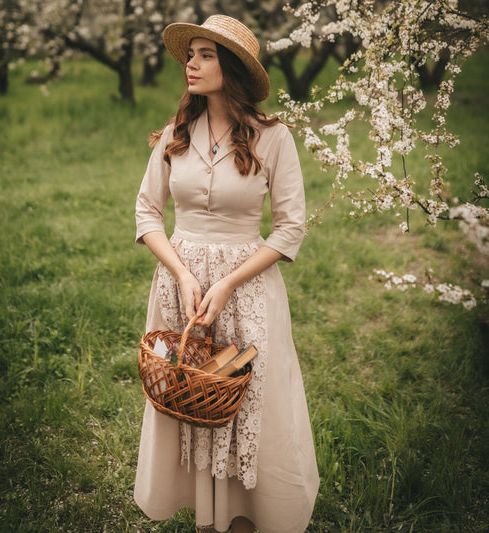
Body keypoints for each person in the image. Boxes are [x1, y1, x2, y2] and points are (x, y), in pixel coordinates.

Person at [134, 14, 320, 533]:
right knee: (192, 395)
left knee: (249, 401)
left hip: (248, 286)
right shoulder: (175, 135)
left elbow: (289, 228)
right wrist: (183, 273)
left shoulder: (273, 137)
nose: (190, 64)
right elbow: (147, 212)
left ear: (231, 67)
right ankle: (204, 511)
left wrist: (227, 281)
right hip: (182, 286)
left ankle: (248, 514)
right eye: (189, 54)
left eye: (205, 55)